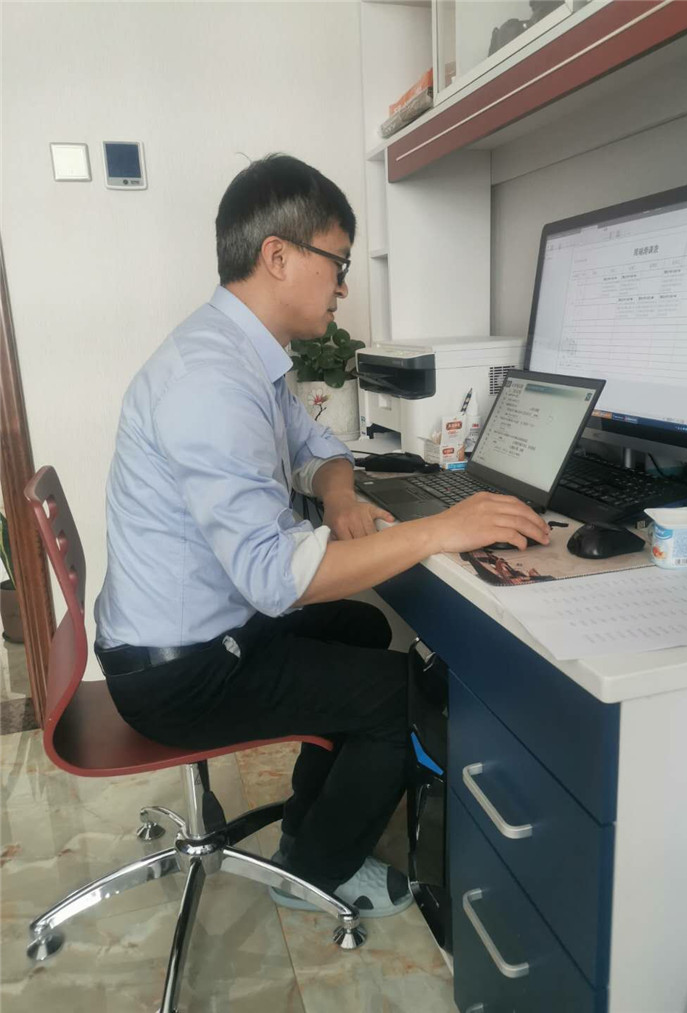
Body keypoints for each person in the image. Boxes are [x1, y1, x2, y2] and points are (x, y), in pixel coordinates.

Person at [94, 153, 550, 918]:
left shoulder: (243, 356)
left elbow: (321, 450)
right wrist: (440, 529)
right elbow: (277, 580)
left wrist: (339, 496)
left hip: (201, 630)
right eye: (337, 262)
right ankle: (313, 871)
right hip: (178, 672)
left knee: (364, 626)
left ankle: (309, 822)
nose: (342, 286)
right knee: (400, 697)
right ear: (278, 256)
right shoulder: (211, 382)